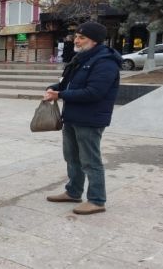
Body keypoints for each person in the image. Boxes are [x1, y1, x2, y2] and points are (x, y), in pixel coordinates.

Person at [43, 21, 121, 215]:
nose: (76, 40)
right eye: (76, 36)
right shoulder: (81, 58)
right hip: (72, 116)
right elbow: (68, 83)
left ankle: (96, 200)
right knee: (71, 157)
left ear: (94, 41)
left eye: (82, 37)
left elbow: (94, 92)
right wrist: (55, 87)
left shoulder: (105, 62)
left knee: (90, 160)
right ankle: (73, 192)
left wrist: (60, 96)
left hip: (90, 119)